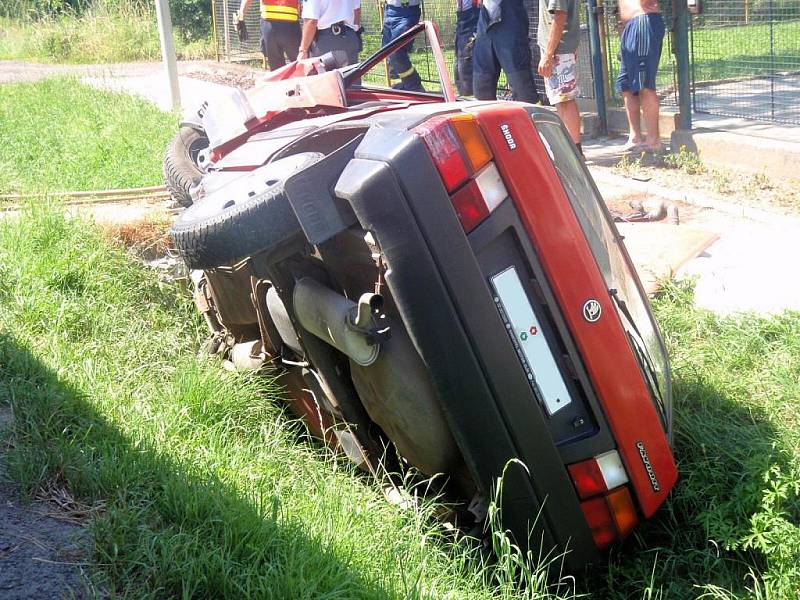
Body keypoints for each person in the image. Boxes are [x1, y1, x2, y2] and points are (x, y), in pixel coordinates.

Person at [616, 0, 665, 152]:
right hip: (630, 26)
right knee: (625, 84)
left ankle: (653, 141)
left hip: (642, 21)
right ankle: (635, 138)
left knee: (644, 84)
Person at [471, 0, 541, 104]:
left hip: (511, 20)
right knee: (482, 86)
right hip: (485, 21)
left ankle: (527, 118)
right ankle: (488, 119)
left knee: (521, 87)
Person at [537, 0, 582, 154]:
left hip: (559, 50)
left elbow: (560, 14)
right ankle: (572, 149)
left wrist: (549, 55)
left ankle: (576, 151)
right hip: (557, 49)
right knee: (560, 99)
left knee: (565, 99)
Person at [234, 0, 301, 72]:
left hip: (269, 25)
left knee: (277, 68)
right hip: (289, 24)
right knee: (300, 63)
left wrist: (240, 16)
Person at [298, 0, 362, 67]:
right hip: (350, 36)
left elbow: (311, 20)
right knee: (351, 75)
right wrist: (355, 31)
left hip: (326, 41)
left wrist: (303, 51)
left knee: (325, 76)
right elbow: (356, 10)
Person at [381, 0, 425, 91]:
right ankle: (405, 83)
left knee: (396, 51)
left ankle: (414, 85)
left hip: (407, 11)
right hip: (389, 10)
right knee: (386, 51)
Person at [454, 0, 479, 96]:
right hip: (463, 15)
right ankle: (464, 93)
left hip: (472, 14)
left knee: (466, 57)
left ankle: (468, 94)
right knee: (460, 57)